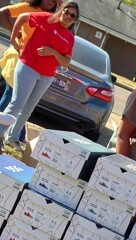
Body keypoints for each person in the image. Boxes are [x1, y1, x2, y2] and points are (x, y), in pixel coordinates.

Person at [0, 2, 77, 152]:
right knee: (17, 104)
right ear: (61, 10)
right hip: (28, 67)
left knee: (28, 109)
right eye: (67, 12)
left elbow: (66, 62)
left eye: (73, 15)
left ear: (75, 20)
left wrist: (53, 52)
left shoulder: (70, 37)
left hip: (46, 76)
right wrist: (14, 41)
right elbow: (22, 18)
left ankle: (12, 138)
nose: (68, 16)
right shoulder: (47, 18)